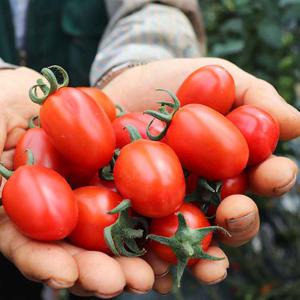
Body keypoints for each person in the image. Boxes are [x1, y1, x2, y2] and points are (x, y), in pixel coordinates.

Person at [0, 0, 299, 299]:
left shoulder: (124, 141)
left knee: (119, 281)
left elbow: (156, 4)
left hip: (126, 232)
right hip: (107, 217)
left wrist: (142, 60)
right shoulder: (66, 135)